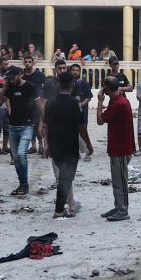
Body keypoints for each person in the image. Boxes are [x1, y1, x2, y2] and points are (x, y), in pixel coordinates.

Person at [41, 71, 93, 218]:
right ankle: (59, 210)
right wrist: (88, 145)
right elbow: (81, 127)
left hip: (55, 144)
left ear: (58, 84)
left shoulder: (51, 102)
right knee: (66, 178)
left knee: (65, 176)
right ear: (72, 84)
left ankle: (70, 205)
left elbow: (46, 126)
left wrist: (47, 144)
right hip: (69, 145)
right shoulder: (74, 103)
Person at [0, 66, 36, 196]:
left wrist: (41, 124)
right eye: (8, 78)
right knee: (16, 157)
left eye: (12, 77)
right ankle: (22, 184)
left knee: (21, 154)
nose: (10, 80)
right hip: (13, 126)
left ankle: (24, 184)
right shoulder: (9, 87)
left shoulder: (30, 86)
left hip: (27, 125)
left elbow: (40, 104)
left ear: (20, 75)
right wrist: (4, 88)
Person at [96, 76, 135, 222]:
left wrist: (99, 102)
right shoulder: (119, 100)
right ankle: (119, 206)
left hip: (120, 148)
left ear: (105, 89)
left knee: (120, 182)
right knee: (118, 180)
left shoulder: (117, 104)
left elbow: (100, 120)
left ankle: (123, 210)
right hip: (122, 146)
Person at [69, 61, 94, 160]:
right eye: (73, 70)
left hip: (82, 111)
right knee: (72, 133)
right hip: (70, 112)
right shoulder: (68, 84)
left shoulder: (84, 84)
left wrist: (80, 105)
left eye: (77, 70)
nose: (75, 72)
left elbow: (88, 97)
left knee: (83, 132)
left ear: (80, 72)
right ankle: (76, 153)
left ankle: (88, 152)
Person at [22, 56, 46, 153]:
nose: (28, 63)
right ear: (24, 63)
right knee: (29, 125)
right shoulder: (22, 76)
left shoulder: (39, 75)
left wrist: (43, 98)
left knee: (38, 124)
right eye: (26, 62)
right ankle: (33, 146)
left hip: (38, 103)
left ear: (33, 63)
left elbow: (46, 86)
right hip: (26, 104)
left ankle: (41, 146)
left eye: (29, 62)